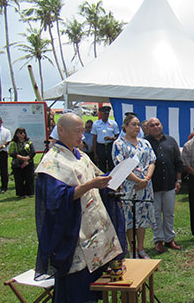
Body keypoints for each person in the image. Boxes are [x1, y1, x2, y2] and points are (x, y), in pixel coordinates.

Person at [34, 113, 127, 302]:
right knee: (77, 288)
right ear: (61, 130)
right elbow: (55, 201)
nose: (81, 136)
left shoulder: (82, 156)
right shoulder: (51, 162)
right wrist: (90, 185)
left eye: (82, 131)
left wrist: (114, 178)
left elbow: (98, 177)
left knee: (93, 283)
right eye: (77, 131)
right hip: (73, 231)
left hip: (93, 228)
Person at [112, 114, 157, 259]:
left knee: (142, 217)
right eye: (133, 124)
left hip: (145, 186)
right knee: (130, 218)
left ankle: (141, 248)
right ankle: (131, 249)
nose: (137, 127)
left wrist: (146, 179)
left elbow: (152, 161)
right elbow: (121, 165)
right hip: (129, 186)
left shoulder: (145, 143)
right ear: (125, 126)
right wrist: (138, 180)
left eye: (138, 124)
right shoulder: (119, 144)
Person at [145, 117, 183, 253]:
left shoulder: (171, 141)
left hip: (169, 184)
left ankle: (169, 239)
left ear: (161, 125)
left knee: (169, 213)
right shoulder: (144, 143)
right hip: (152, 186)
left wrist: (178, 181)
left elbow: (178, 163)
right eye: (152, 125)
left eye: (158, 124)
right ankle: (158, 240)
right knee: (155, 214)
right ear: (148, 128)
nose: (156, 127)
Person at [8, 128, 35, 199]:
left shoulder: (29, 143)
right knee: (19, 179)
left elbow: (33, 152)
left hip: (28, 163)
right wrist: (20, 157)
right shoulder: (14, 143)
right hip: (17, 163)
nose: (23, 134)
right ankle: (21, 194)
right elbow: (11, 153)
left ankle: (29, 193)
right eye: (21, 133)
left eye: (24, 133)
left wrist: (27, 158)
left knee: (29, 178)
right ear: (17, 134)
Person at [92, 105, 120, 173]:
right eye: (104, 113)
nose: (106, 115)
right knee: (102, 165)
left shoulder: (113, 123)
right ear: (101, 113)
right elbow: (94, 139)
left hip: (110, 145)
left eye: (107, 113)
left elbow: (117, 137)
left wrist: (111, 138)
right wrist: (95, 153)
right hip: (100, 146)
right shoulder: (96, 124)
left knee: (111, 165)